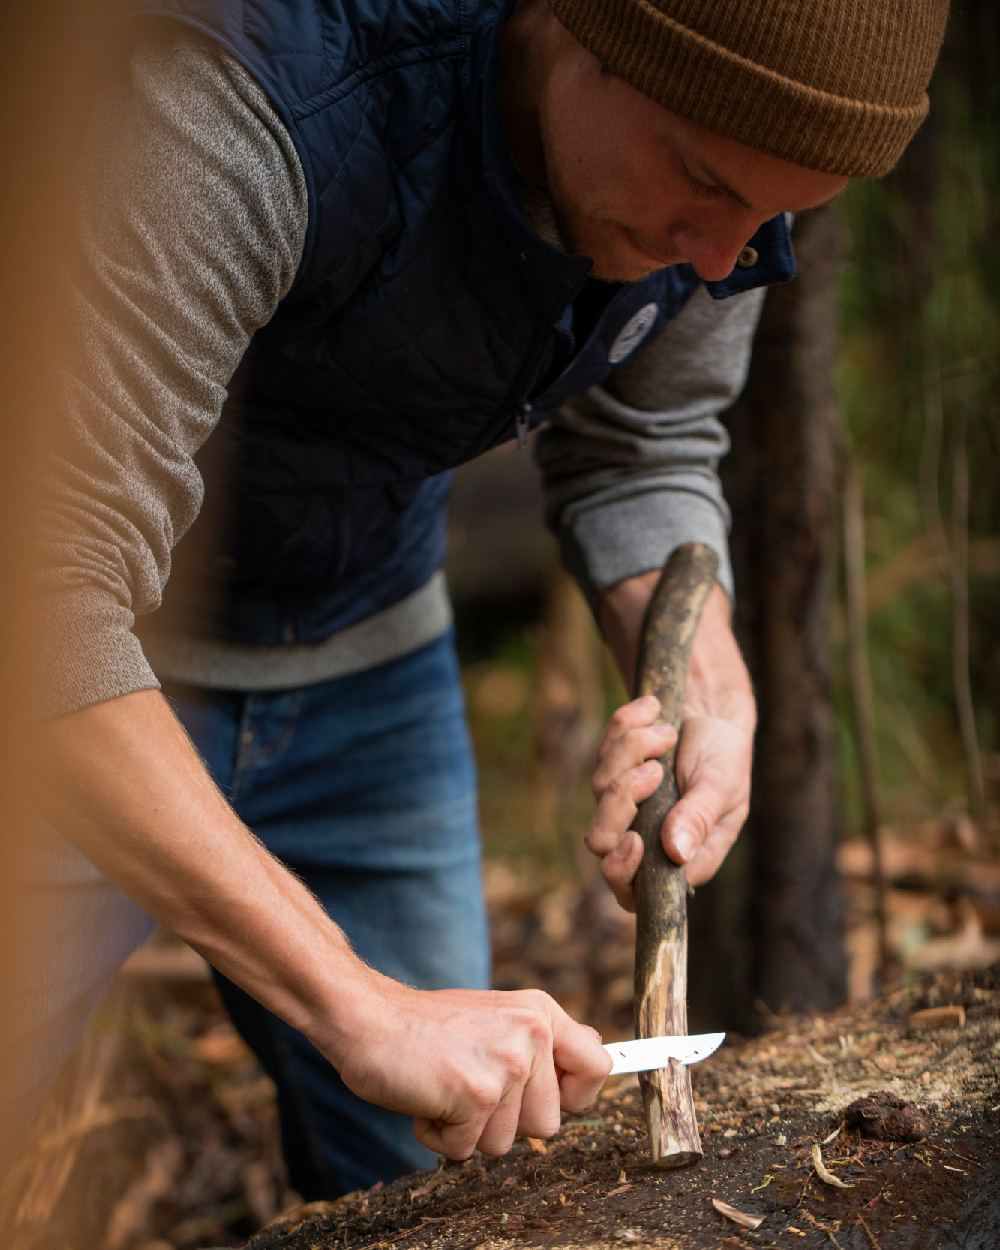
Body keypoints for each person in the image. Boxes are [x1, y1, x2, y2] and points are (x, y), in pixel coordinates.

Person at [20, 0, 947, 1201]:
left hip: (366, 661)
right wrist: (361, 1005)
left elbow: (647, 440)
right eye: (702, 183)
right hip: (76, 697)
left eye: (769, 223)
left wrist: (701, 679)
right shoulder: (243, 113)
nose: (719, 261)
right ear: (579, 28)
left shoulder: (716, 210)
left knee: (442, 1180)